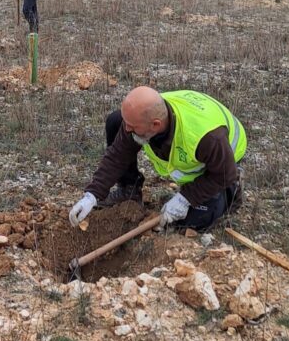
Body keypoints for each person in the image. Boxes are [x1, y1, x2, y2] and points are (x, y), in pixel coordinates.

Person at [69, 87, 245, 233]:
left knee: (192, 223)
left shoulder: (208, 138)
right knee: (115, 121)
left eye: (132, 126)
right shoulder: (143, 118)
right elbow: (117, 155)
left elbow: (223, 174)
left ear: (155, 125)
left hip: (222, 164)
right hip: (194, 141)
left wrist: (186, 198)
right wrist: (92, 195)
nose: (127, 129)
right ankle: (129, 191)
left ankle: (231, 193)